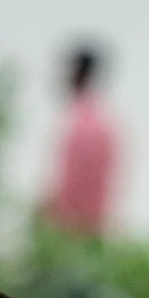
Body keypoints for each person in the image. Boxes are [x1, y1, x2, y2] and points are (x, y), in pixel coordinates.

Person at [43, 44, 119, 239]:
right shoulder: (104, 122)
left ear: (78, 73)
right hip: (94, 229)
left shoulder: (81, 123)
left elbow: (69, 184)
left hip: (72, 230)